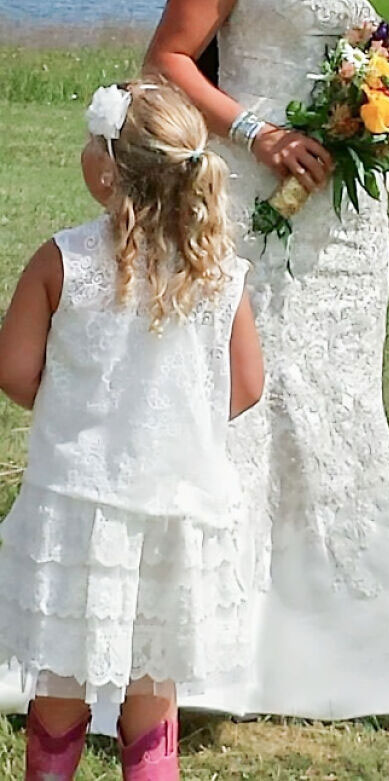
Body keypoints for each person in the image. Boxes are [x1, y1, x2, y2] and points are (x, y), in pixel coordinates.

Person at [144, 0, 389, 719]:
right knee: (237, 397)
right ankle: (201, 651)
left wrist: (383, 109)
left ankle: (342, 659)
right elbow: (172, 59)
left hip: (350, 224)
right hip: (247, 197)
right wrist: (260, 130)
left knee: (334, 398)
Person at [0, 80, 263, 779]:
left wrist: (76, 409)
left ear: (108, 166)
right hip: (175, 507)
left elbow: (15, 369)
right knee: (153, 697)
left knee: (57, 688)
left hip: (77, 504)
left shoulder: (64, 260)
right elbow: (246, 385)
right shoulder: (219, 274)